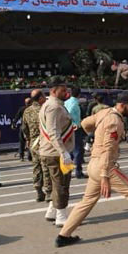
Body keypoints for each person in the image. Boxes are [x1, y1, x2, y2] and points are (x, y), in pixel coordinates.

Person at [56, 93, 128, 249]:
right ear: (123, 105)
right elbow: (108, 150)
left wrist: (95, 133)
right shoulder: (115, 121)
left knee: (86, 201)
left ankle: (63, 235)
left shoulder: (105, 112)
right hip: (104, 166)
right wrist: (105, 175)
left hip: (93, 164)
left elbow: (85, 123)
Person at [39, 78, 75, 226]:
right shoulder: (54, 107)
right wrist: (63, 152)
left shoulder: (50, 105)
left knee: (55, 183)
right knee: (61, 184)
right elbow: (53, 133)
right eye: (62, 89)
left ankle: (52, 210)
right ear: (53, 90)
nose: (65, 92)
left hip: (50, 151)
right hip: (55, 153)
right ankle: (61, 215)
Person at [21, 89, 52, 203]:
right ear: (40, 97)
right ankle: (48, 192)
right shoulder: (45, 109)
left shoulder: (27, 111)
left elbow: (24, 128)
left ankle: (38, 190)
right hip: (45, 141)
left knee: (36, 166)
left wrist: (28, 139)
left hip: (34, 143)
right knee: (46, 167)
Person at [65, 86, 86, 179]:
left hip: (67, 129)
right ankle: (78, 172)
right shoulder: (75, 104)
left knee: (69, 150)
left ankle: (67, 171)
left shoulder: (66, 102)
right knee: (78, 150)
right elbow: (69, 114)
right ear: (79, 94)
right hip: (75, 128)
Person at [12, 97, 31, 161]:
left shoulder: (22, 109)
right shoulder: (31, 109)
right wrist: (14, 123)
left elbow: (16, 117)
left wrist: (14, 123)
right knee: (28, 142)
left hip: (24, 127)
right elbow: (17, 117)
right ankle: (28, 156)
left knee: (22, 142)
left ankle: (22, 156)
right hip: (29, 127)